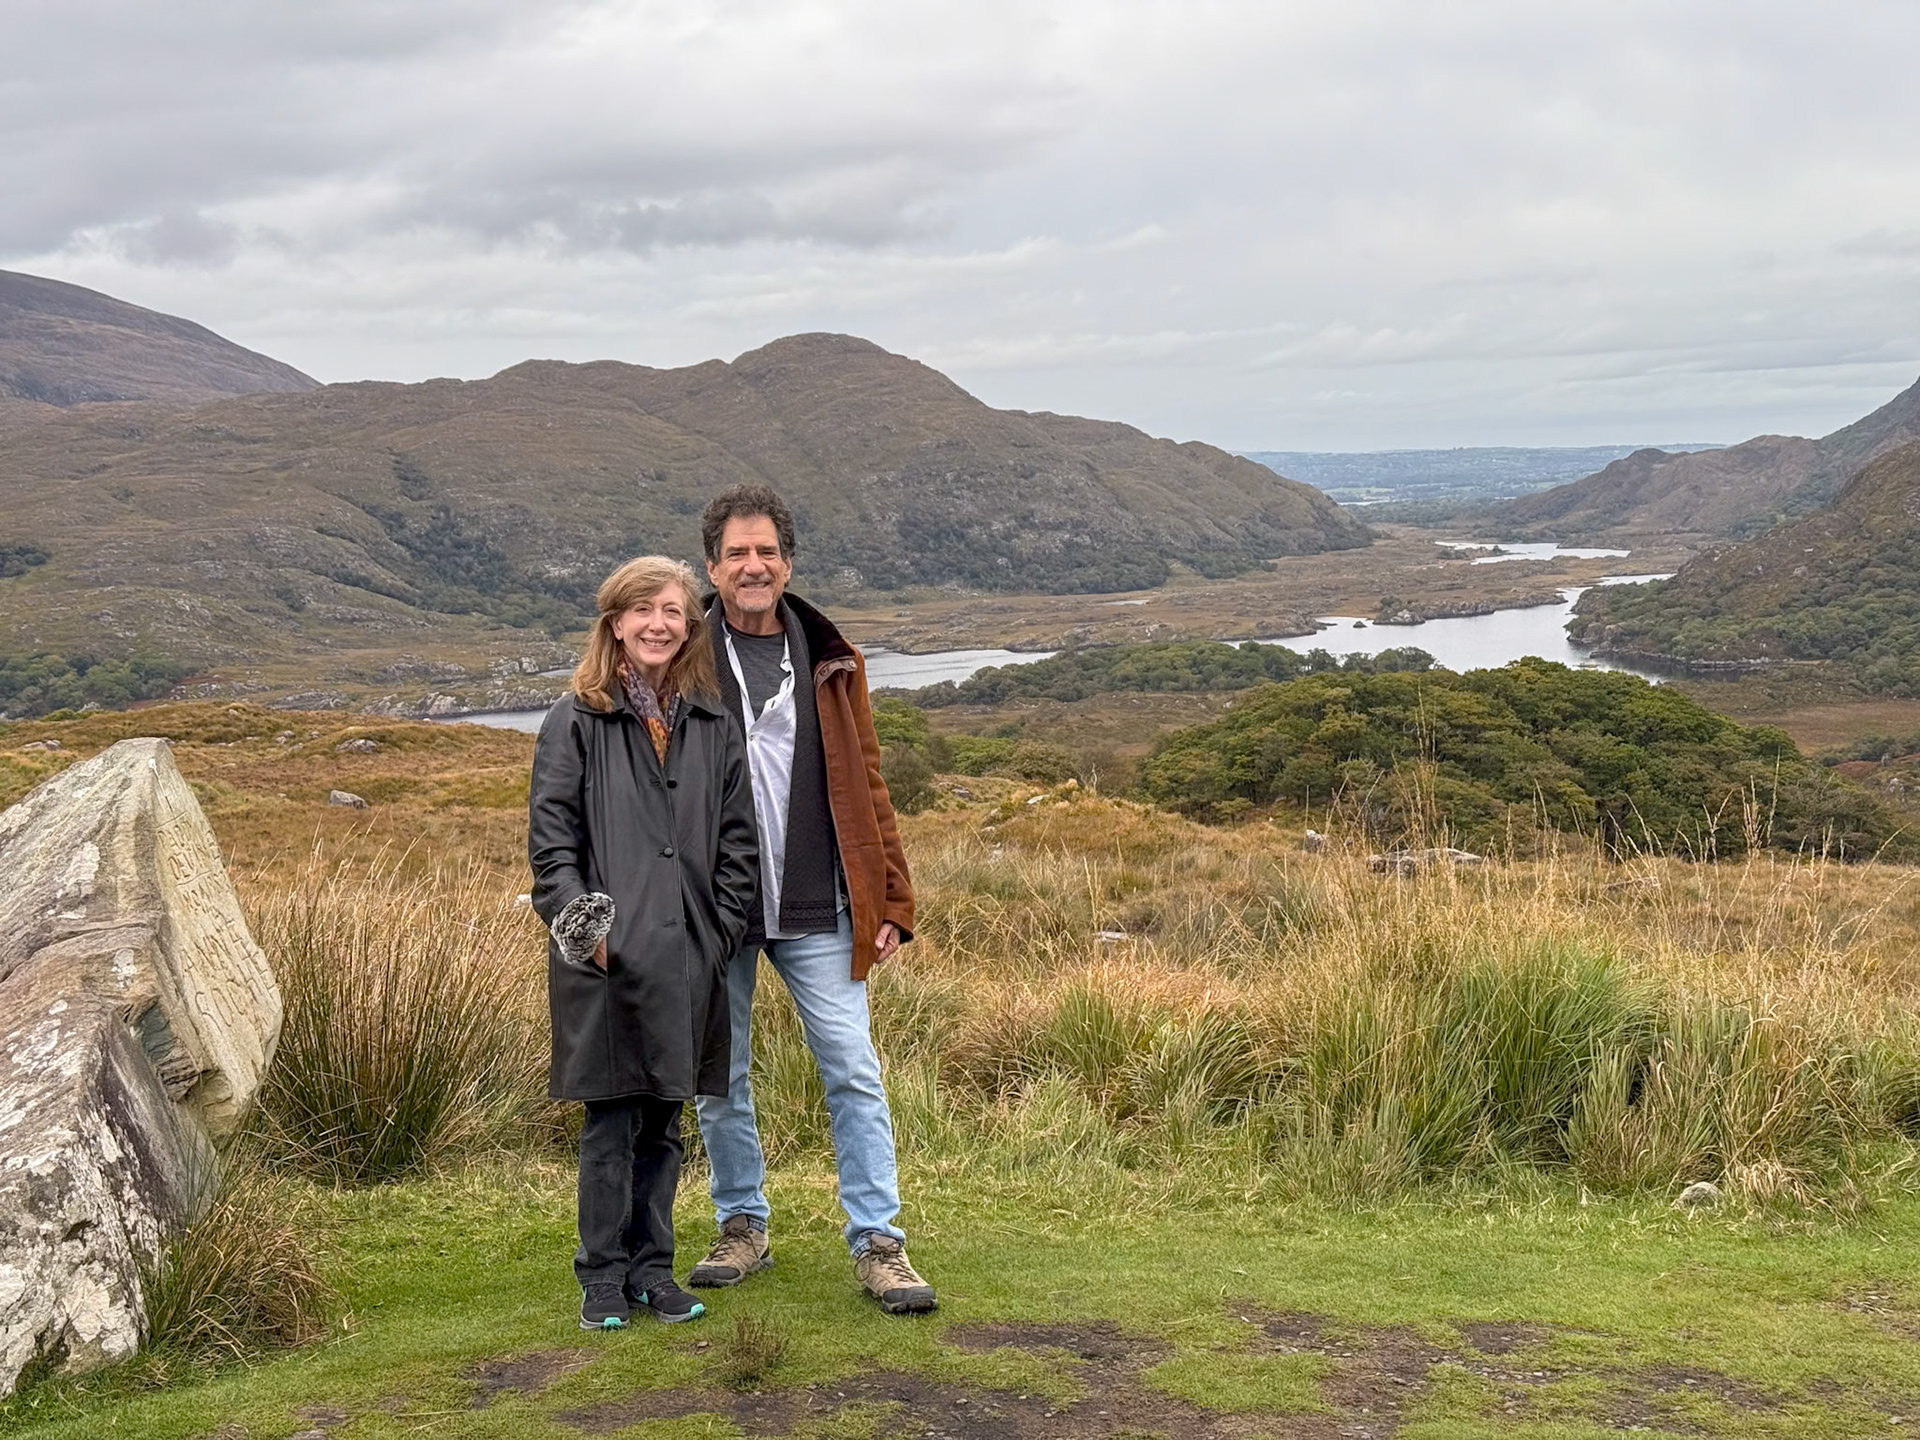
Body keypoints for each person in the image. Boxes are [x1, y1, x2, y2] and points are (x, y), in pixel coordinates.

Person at [687, 484, 937, 1314]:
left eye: (766, 552)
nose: (752, 566)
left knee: (854, 1071)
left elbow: (867, 778)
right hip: (716, 911)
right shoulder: (678, 653)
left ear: (786, 562)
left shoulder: (831, 657)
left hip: (815, 906)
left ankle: (879, 1242)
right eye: (736, 554)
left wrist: (892, 898)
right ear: (712, 566)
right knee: (720, 1078)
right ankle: (742, 1226)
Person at [529, 555, 759, 1330]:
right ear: (616, 622)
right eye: (644, 610)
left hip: (688, 956)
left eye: (674, 612)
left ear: (689, 628)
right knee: (610, 1122)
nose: (659, 624)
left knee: (666, 1119)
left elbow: (738, 842)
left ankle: (653, 1271)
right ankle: (601, 1278)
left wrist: (719, 932)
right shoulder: (575, 719)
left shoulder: (711, 720)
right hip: (606, 962)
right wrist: (586, 936)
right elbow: (551, 846)